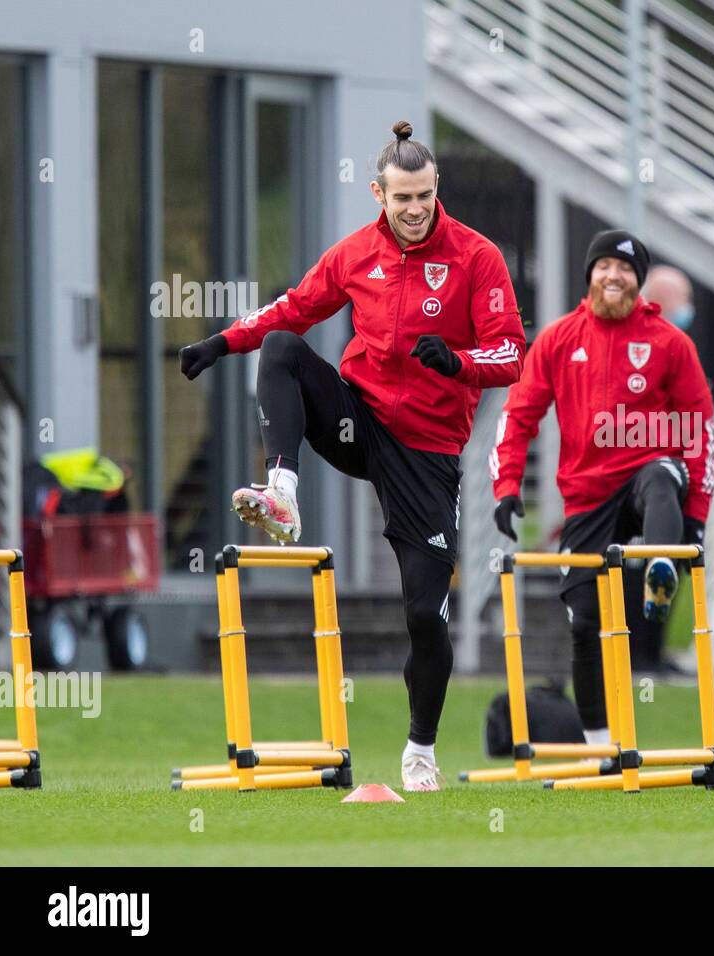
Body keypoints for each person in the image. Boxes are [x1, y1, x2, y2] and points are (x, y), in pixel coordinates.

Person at [178, 121, 525, 792]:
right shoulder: (356, 254)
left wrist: (457, 362)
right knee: (281, 345)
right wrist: (222, 342)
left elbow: (511, 352)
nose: (416, 209)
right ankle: (282, 492)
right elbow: (295, 306)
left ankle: (420, 749)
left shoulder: (477, 257)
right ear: (378, 194)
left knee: (425, 613)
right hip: (357, 424)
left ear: (436, 190)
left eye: (425, 195)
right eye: (402, 198)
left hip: (426, 452)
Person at [490, 230, 714, 743]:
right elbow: (518, 416)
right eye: (604, 267)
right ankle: (596, 744)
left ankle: (661, 565)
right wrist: (506, 487)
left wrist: (696, 518)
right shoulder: (558, 338)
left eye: (626, 270)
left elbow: (700, 431)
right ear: (590, 275)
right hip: (587, 497)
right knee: (585, 622)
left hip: (647, 478)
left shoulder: (669, 343)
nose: (614, 276)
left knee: (663, 473)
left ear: (640, 284)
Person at [629, 264, 699, 673]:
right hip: (643, 479)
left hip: (676, 477)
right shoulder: (640, 348)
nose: (689, 308)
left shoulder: (679, 347)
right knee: (642, 566)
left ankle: (653, 655)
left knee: (671, 562)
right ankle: (639, 657)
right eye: (682, 299)